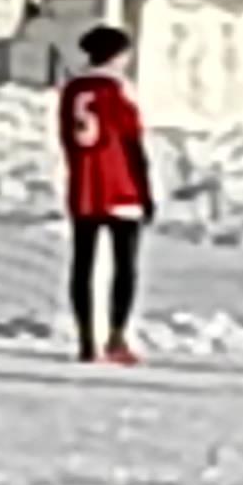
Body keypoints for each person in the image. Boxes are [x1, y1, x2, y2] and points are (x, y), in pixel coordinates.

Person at [57, 24, 154, 366]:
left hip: (84, 187)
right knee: (124, 265)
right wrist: (146, 190)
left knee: (82, 263)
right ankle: (116, 337)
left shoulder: (71, 90)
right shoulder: (119, 90)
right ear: (116, 55)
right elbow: (132, 141)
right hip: (120, 186)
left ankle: (85, 340)